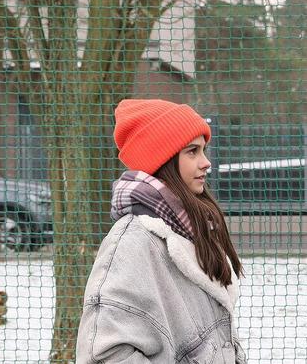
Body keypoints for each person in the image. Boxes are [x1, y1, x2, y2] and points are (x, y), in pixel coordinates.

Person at [76, 99, 246, 363]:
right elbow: (105, 355)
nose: (206, 163)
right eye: (192, 151)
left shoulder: (189, 228)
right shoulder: (132, 241)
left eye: (204, 150)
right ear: (163, 158)